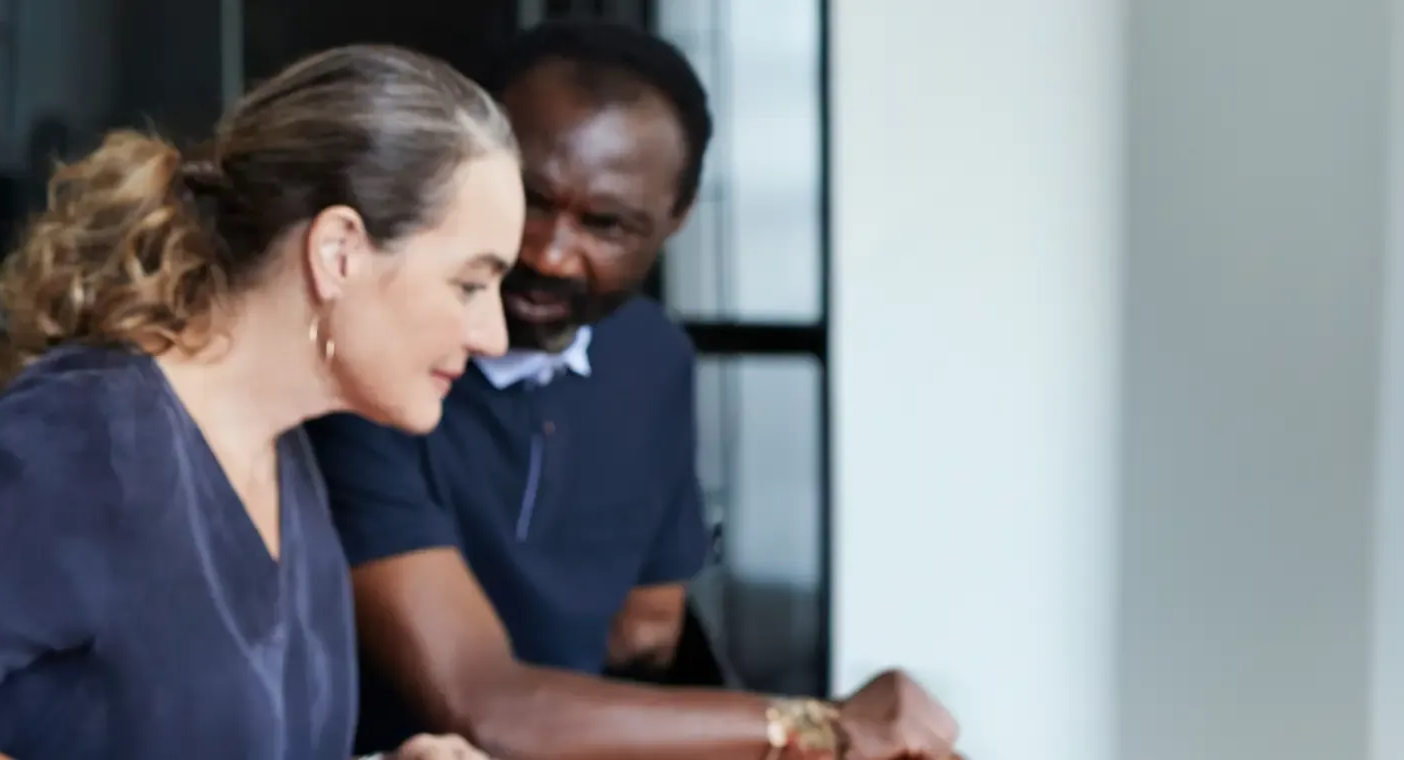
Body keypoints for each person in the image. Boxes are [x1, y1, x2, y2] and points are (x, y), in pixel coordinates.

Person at [0, 46, 523, 760]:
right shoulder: (86, 445)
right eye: (468, 284)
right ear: (338, 251)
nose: (494, 335)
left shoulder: (284, 453)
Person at [306, 22, 961, 760]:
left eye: (606, 223)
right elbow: (481, 705)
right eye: (529, 200)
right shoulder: (371, 361)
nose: (550, 253)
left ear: (675, 220)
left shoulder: (653, 356)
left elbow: (648, 631)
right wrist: (817, 726)